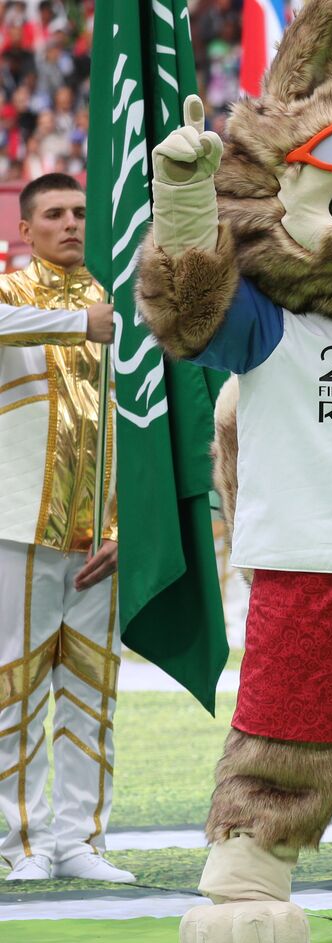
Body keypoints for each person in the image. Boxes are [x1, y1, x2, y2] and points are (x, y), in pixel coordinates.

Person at [0, 172, 131, 883]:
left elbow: (145, 422)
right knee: (14, 689)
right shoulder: (11, 294)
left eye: (80, 211)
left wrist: (126, 523)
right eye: (53, 213)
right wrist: (80, 324)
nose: (71, 223)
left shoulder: (119, 302)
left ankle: (80, 841)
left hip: (103, 535)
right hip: (18, 524)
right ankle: (22, 843)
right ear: (25, 229)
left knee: (90, 689)